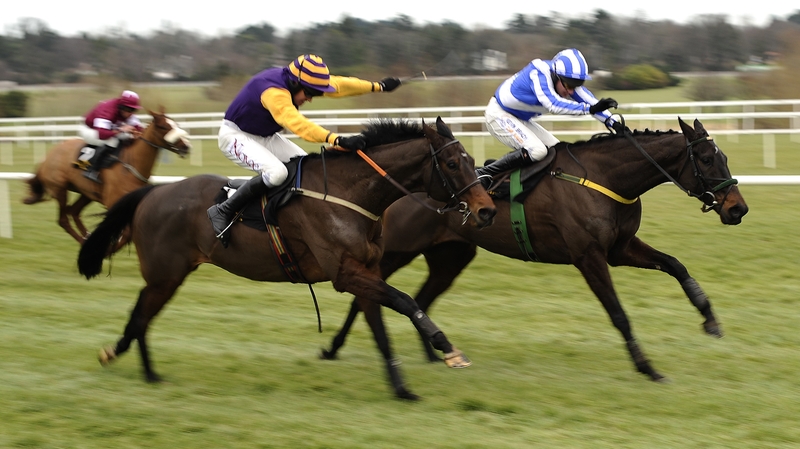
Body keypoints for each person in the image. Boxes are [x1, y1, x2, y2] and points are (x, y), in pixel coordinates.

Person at [207, 54, 402, 243]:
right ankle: (223, 210)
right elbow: (297, 124)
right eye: (309, 93)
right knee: (277, 174)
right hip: (234, 136)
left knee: (307, 170)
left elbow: (339, 85)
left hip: (264, 137)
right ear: (294, 84)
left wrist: (379, 86)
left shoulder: (298, 81)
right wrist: (336, 139)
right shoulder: (274, 93)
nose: (309, 99)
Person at [477, 48, 622, 188]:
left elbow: (591, 102)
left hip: (519, 118)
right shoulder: (538, 73)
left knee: (559, 152)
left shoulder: (564, 79)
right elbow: (553, 104)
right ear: (556, 75)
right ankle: (483, 174)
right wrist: (589, 109)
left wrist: (614, 123)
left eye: (576, 86)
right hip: (498, 114)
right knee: (537, 151)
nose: (571, 91)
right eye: (568, 85)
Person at [77, 90, 144, 182]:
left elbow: (139, 129)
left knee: (127, 137)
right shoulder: (108, 109)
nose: (131, 113)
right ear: (121, 106)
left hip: (107, 129)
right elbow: (102, 134)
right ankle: (91, 170)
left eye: (133, 110)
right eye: (129, 109)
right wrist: (121, 130)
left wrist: (137, 133)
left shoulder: (127, 112)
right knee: (112, 141)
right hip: (90, 129)